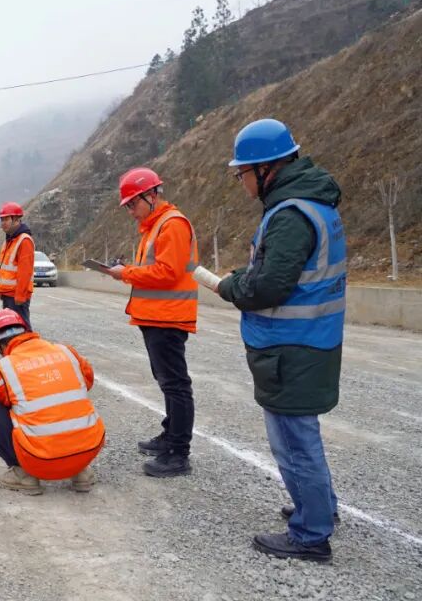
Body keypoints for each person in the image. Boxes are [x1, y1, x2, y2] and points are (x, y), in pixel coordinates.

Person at [217, 118, 345, 563]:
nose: (241, 182)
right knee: (302, 435)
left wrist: (230, 286)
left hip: (292, 346)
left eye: (242, 173)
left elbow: (269, 286)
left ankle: (310, 534)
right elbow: (280, 271)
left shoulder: (290, 215)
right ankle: (321, 507)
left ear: (265, 169)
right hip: (312, 340)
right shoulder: (313, 204)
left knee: (294, 442)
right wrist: (247, 275)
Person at [106, 167, 199, 478]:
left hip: (168, 317)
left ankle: (178, 452)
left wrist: (127, 273)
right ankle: (170, 435)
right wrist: (128, 272)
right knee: (166, 381)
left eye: (133, 203)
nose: (130, 211)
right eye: (128, 205)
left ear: (151, 195)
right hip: (156, 316)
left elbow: (168, 272)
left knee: (175, 384)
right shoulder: (155, 226)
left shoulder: (171, 224)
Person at [0, 309, 104, 495]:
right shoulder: (67, 351)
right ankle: (81, 472)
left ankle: (23, 474)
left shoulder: (3, 368)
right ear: (26, 330)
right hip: (89, 450)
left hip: (40, 459)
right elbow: (87, 383)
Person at [0, 202, 34, 327]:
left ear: (16, 219)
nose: (3, 223)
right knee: (11, 328)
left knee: (22, 328)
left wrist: (20, 296)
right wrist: (0, 290)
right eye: (2, 220)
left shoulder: (24, 240)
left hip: (16, 297)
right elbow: (3, 268)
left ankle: (29, 341)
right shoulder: (9, 240)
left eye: (6, 219)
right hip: (8, 295)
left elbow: (25, 272)